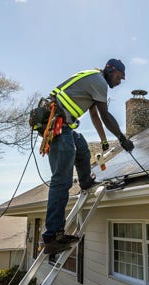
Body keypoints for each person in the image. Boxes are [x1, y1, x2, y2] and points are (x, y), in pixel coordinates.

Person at [42, 58, 134, 254]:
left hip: (64, 127)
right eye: (119, 77)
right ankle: (52, 236)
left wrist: (103, 141)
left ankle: (85, 182)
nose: (119, 82)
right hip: (59, 126)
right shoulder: (100, 82)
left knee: (82, 146)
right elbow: (105, 116)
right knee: (62, 180)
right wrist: (122, 137)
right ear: (110, 70)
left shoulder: (95, 80)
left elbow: (95, 116)